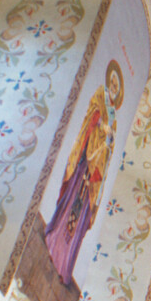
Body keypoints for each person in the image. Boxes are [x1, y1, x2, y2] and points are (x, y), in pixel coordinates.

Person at [45, 60, 123, 283]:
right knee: (71, 203)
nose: (114, 88)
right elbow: (91, 117)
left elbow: (111, 145)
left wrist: (108, 139)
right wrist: (100, 126)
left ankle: (65, 263)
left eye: (117, 87)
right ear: (110, 82)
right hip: (84, 163)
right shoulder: (100, 95)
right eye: (114, 83)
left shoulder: (115, 118)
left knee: (80, 214)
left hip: (95, 171)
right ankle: (55, 241)